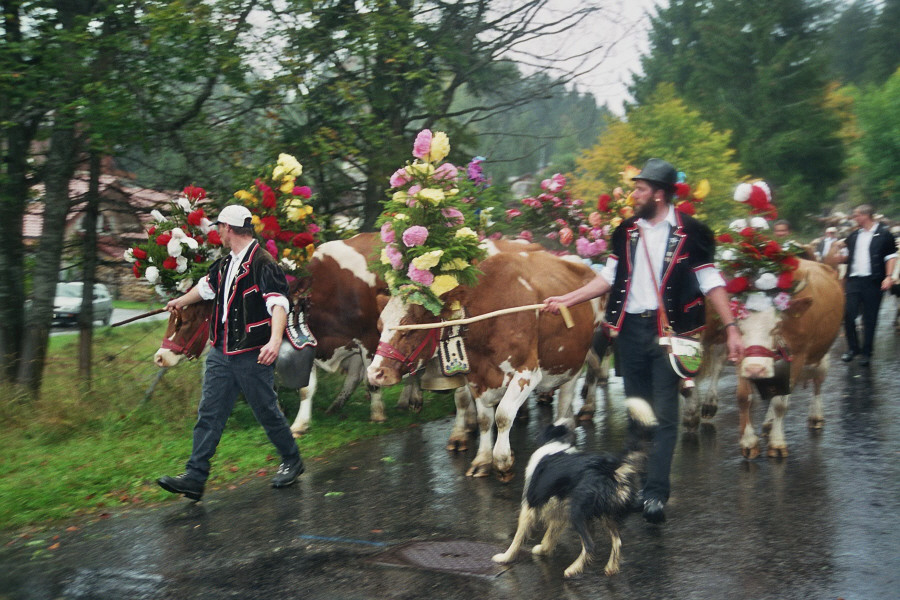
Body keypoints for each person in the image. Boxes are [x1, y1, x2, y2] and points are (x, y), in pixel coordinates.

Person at [543, 158, 744, 525]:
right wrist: (567, 299)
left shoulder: (692, 232)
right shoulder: (626, 231)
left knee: (666, 416)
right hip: (630, 332)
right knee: (638, 413)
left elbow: (711, 281)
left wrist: (731, 328)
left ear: (660, 194)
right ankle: (633, 490)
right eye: (634, 188)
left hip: (672, 333)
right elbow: (609, 277)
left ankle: (655, 494)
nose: (634, 195)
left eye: (641, 189)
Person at [157, 204, 304, 501]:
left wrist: (275, 341)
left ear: (228, 228)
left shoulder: (263, 263)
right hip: (221, 352)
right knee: (209, 413)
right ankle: (195, 478)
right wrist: (180, 302)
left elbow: (278, 304)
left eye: (219, 227)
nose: (217, 232)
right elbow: (206, 288)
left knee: (266, 411)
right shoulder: (226, 263)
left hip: (252, 353)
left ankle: (292, 460)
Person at [837, 205, 897, 367]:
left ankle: (866, 353)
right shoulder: (854, 235)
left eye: (856, 215)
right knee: (849, 315)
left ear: (866, 215)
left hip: (874, 281)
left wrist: (888, 277)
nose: (854, 218)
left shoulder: (884, 234)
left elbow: (890, 257)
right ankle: (853, 349)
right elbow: (846, 256)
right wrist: (838, 255)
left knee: (870, 318)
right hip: (854, 280)